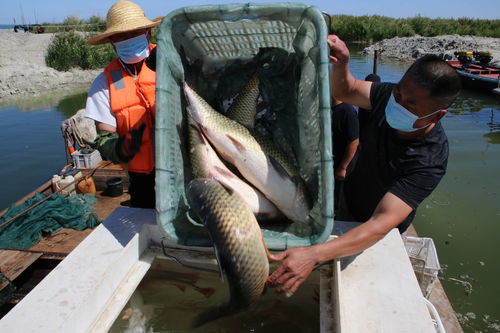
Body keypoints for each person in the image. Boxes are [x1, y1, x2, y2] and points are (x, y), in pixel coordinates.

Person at [267, 34, 461, 294]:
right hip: (350, 196)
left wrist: (314, 254)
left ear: (437, 115)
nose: (398, 103)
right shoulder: (386, 96)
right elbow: (345, 91)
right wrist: (343, 62)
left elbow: (380, 223)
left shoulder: (429, 160)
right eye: (399, 93)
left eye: (411, 105)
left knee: (360, 286)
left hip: (377, 227)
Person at [84, 0, 162, 208]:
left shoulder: (170, 62)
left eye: (134, 33)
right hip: (141, 176)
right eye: (121, 36)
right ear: (112, 42)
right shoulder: (103, 83)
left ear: (148, 33)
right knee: (144, 220)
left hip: (181, 167)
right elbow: (104, 137)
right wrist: (121, 148)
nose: (128, 39)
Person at [331, 96, 359, 215]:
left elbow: (354, 141)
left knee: (339, 194)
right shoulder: (329, 110)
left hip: (343, 162)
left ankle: (337, 215)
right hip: (332, 160)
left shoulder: (347, 111)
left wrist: (343, 167)